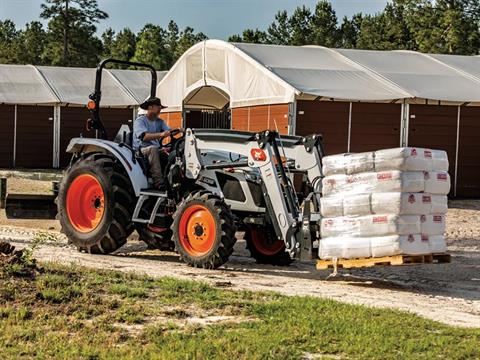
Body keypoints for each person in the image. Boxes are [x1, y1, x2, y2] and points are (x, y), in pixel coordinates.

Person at [133, 96, 178, 190]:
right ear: (150, 108)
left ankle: (172, 179)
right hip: (141, 150)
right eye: (158, 107)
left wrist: (180, 130)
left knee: (172, 152)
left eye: (160, 108)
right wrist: (161, 134)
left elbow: (169, 131)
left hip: (155, 149)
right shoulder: (140, 121)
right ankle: (158, 182)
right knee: (153, 149)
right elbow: (144, 137)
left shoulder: (160, 121)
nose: (160, 110)